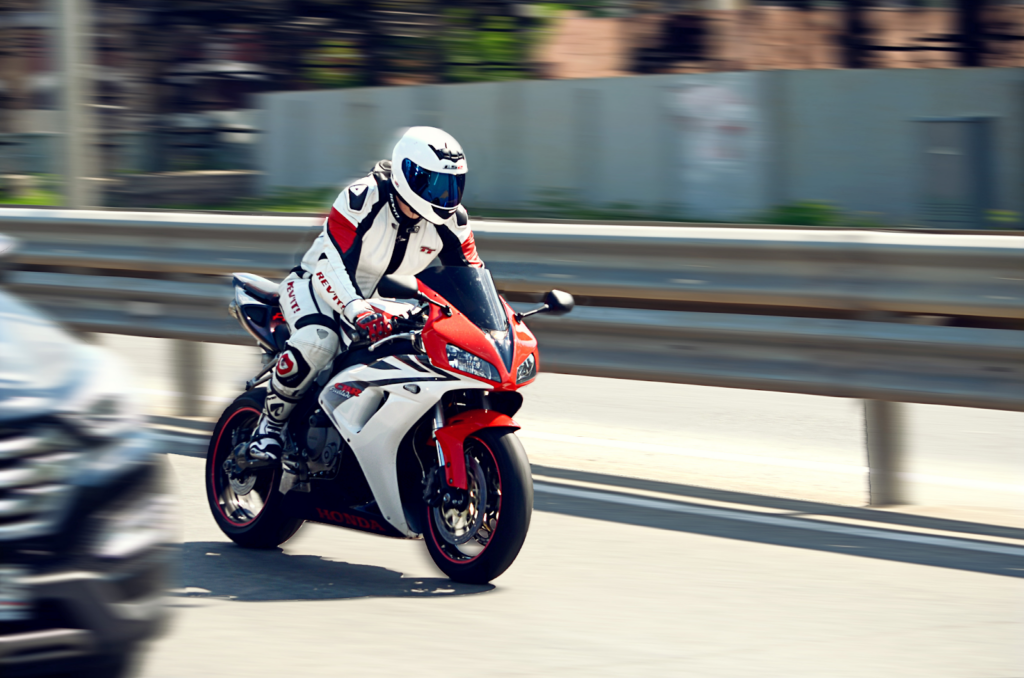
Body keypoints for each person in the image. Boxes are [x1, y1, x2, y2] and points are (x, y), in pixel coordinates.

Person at [248, 126, 483, 482]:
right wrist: (357, 309)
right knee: (318, 339)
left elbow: (470, 276)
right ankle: (269, 426)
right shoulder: (362, 198)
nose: (445, 196)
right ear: (406, 174)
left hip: (376, 297)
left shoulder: (453, 221)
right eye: (434, 184)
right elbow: (331, 264)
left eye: (452, 185)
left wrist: (487, 323)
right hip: (316, 283)